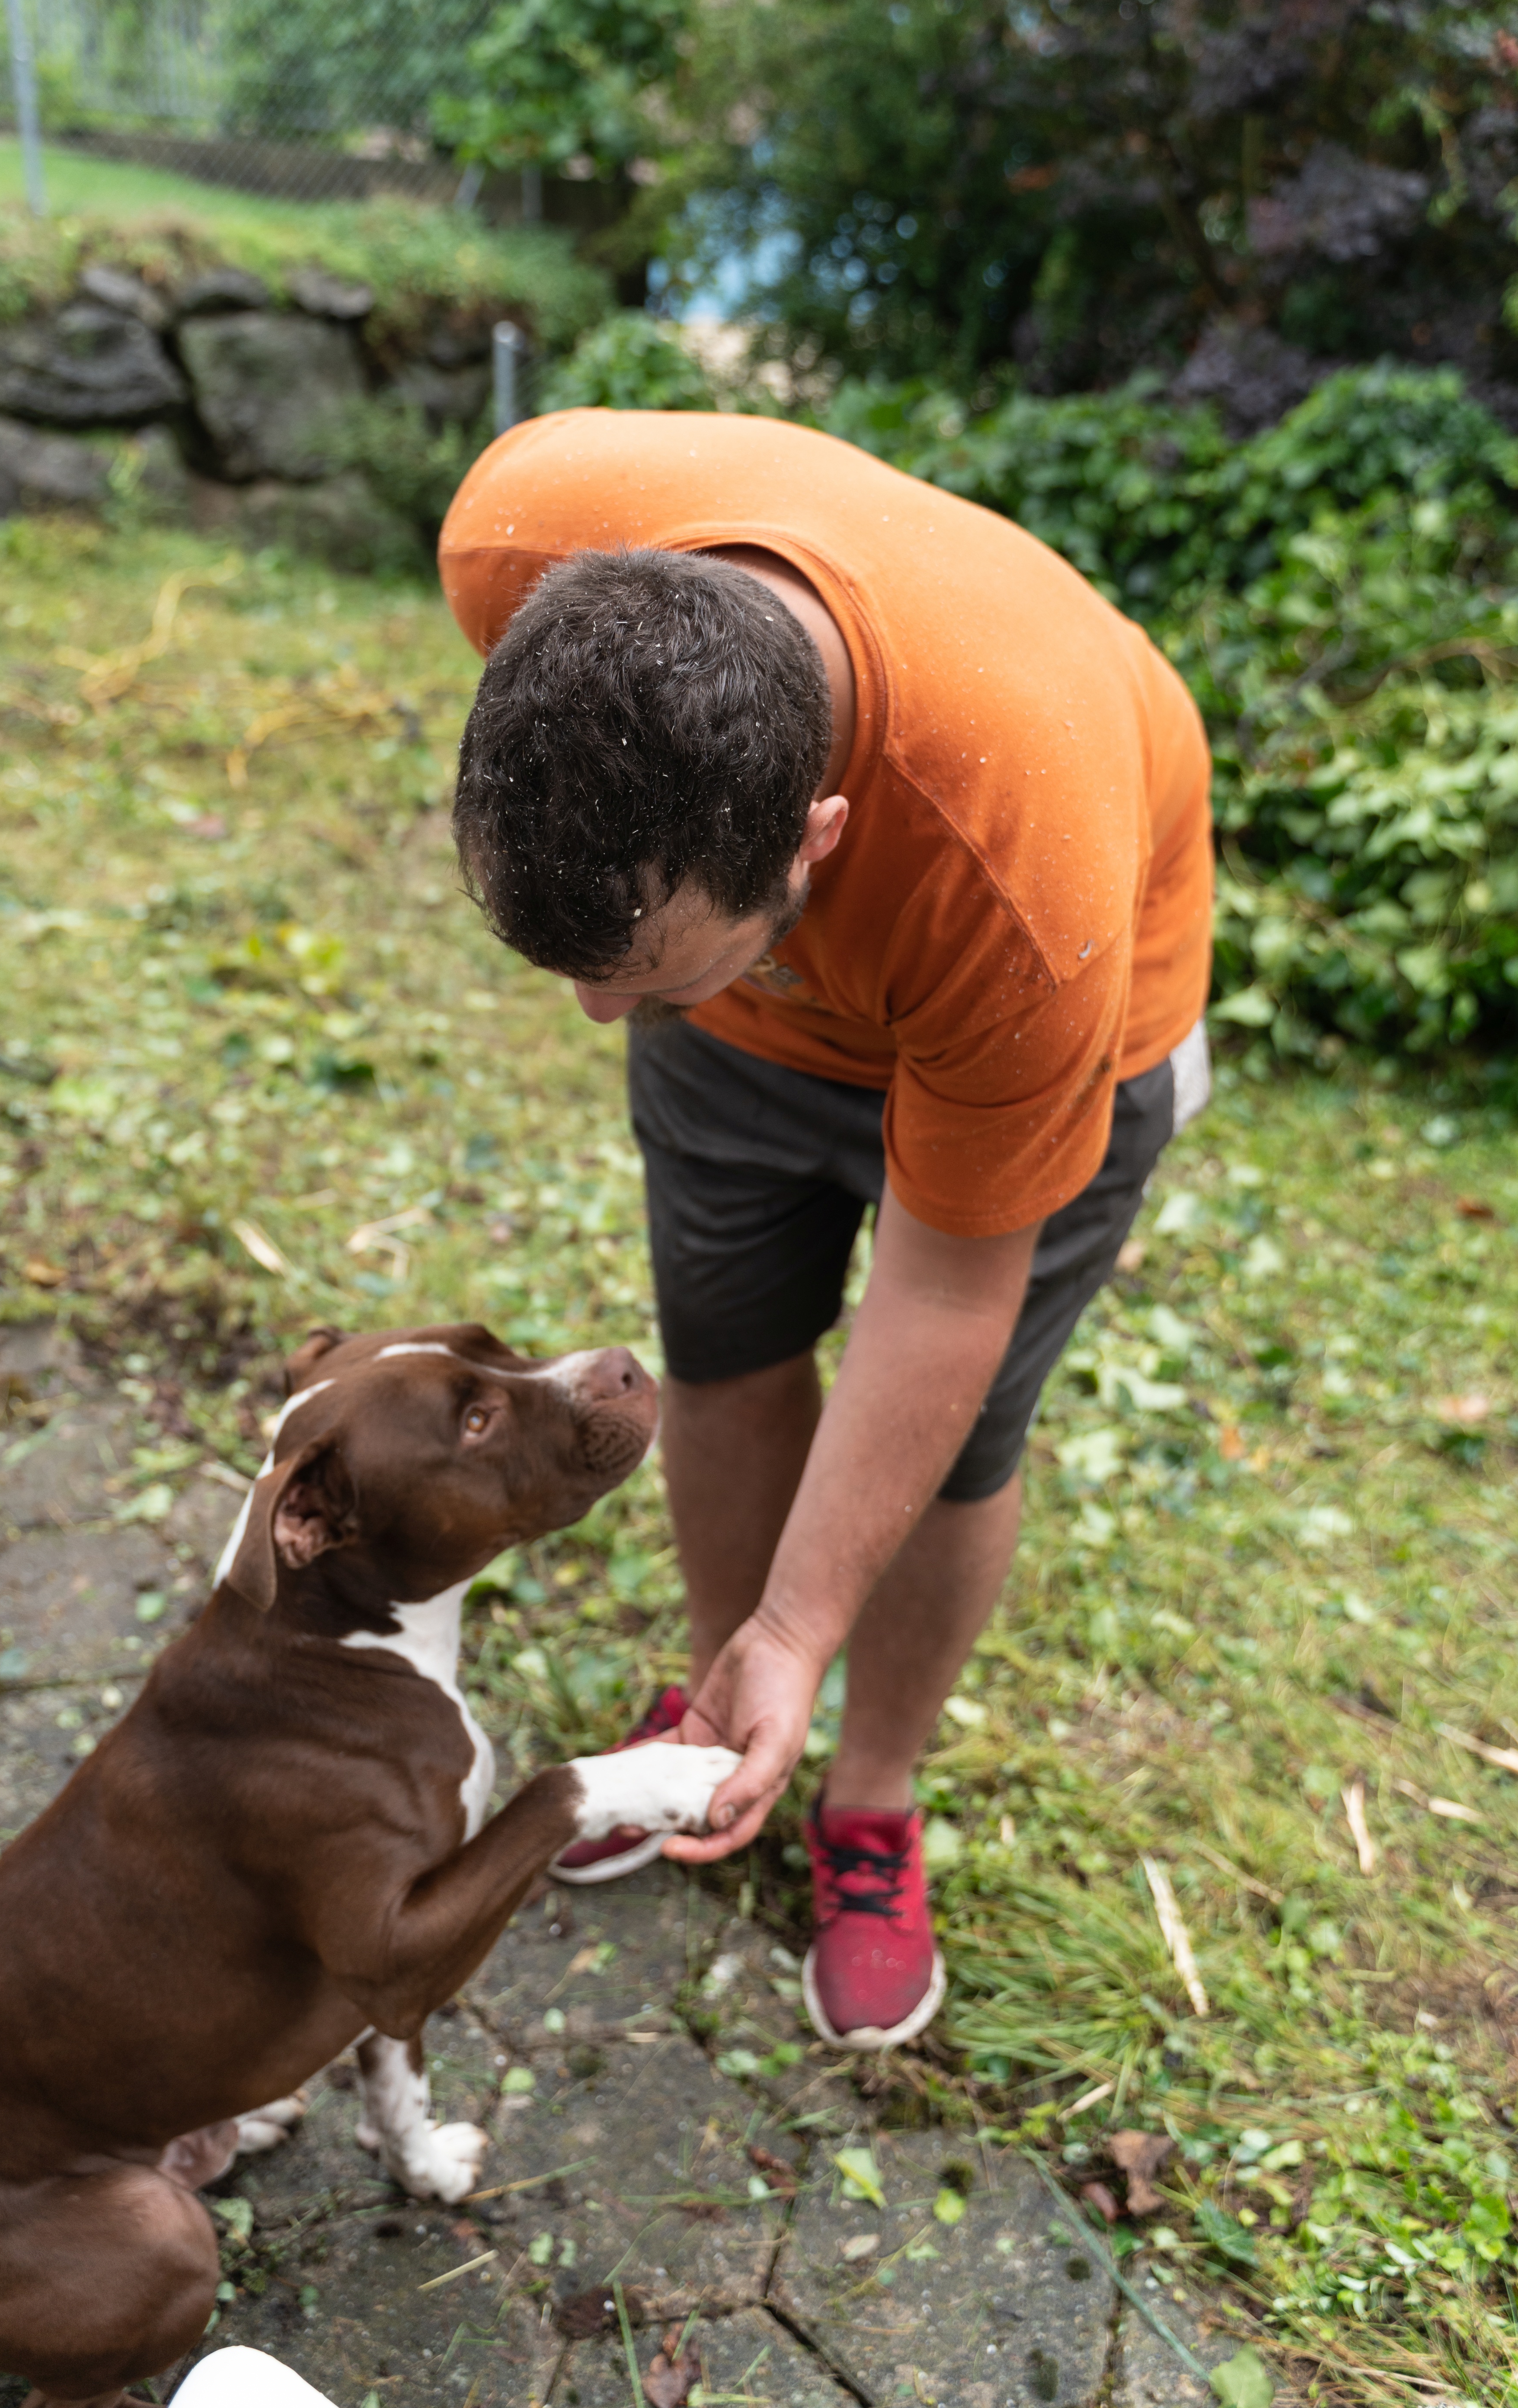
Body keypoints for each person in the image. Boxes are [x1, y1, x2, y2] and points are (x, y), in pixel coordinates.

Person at [438, 410, 1213, 2051]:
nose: (592, 1019)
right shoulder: (515, 541)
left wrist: (814, 1621)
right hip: (755, 1022)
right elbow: (633, 949)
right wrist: (677, 979)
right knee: (724, 1351)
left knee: (951, 1441)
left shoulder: (1024, 889)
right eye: (567, 968)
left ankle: (865, 1797)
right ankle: (720, 1718)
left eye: (630, 979)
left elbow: (938, 1297)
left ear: (816, 838)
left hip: (1046, 1010)